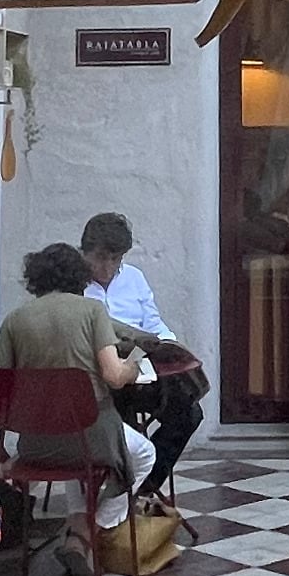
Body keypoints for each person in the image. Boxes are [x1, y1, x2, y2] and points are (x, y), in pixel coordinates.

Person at [0, 241, 150, 575]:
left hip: (35, 445)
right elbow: (113, 376)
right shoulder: (92, 312)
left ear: (36, 279)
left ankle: (76, 525)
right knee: (145, 454)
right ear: (80, 278)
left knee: (78, 456)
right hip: (91, 439)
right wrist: (135, 366)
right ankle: (87, 530)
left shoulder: (16, 320)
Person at [80, 210, 204, 502]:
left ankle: (140, 488)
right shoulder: (71, 283)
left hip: (133, 374)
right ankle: (116, 497)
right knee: (121, 428)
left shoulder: (134, 278)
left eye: (115, 259)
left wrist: (170, 345)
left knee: (188, 412)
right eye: (100, 258)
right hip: (92, 382)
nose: (107, 267)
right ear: (84, 252)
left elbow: (153, 324)